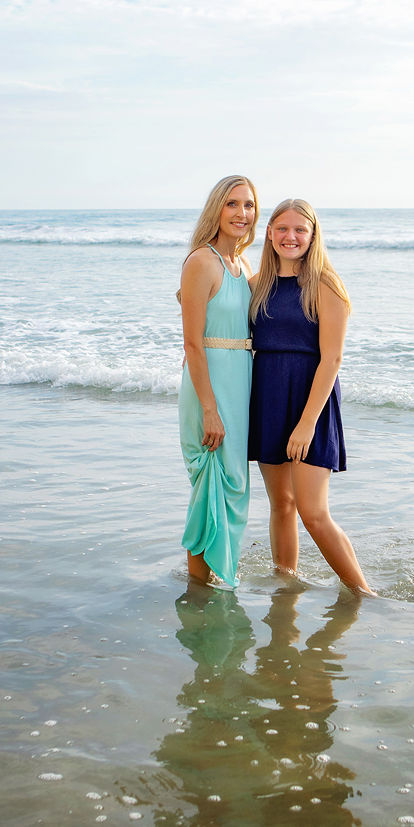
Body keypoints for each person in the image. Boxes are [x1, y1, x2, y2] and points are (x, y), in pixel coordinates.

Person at [248, 200, 374, 596]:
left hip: (310, 403)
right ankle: (286, 586)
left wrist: (306, 424)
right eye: (282, 228)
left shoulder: (325, 284)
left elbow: (332, 359)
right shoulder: (256, 285)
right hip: (268, 398)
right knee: (281, 504)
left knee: (313, 513)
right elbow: (208, 302)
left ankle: (363, 593)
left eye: (300, 229)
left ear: (313, 234)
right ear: (269, 233)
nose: (291, 237)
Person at [178, 176, 259, 587]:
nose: (242, 213)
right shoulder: (201, 262)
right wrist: (209, 408)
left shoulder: (243, 265)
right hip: (208, 383)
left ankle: (213, 581)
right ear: (217, 209)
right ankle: (197, 591)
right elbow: (192, 343)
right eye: (232, 204)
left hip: (238, 381)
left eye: (248, 205)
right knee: (211, 484)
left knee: (233, 486)